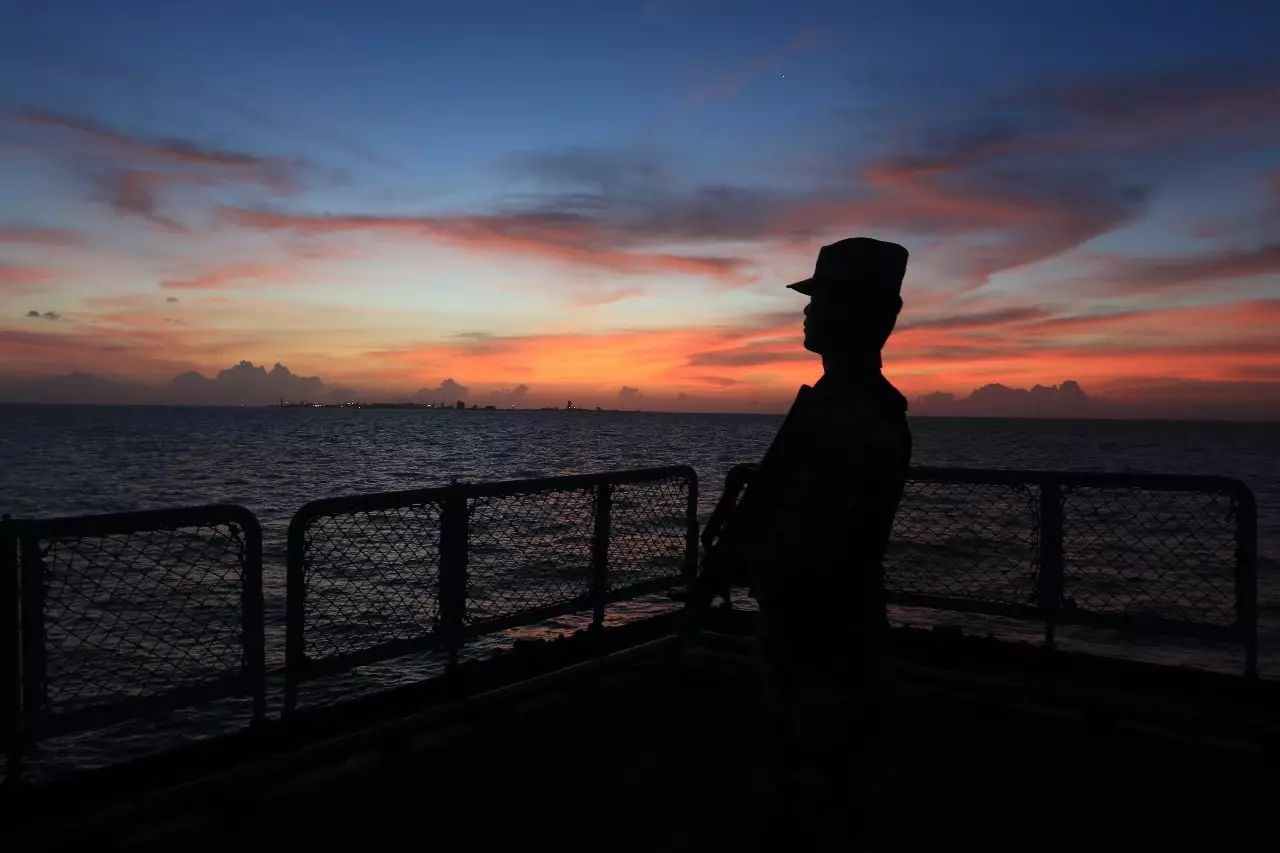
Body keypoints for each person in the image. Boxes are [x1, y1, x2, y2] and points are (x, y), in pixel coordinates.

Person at [706, 237, 913, 849]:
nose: (807, 311)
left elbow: (829, 541)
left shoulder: (857, 416)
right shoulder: (841, 406)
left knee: (816, 786)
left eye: (823, 299)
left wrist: (744, 558)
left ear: (862, 314)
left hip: (826, 630)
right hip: (818, 624)